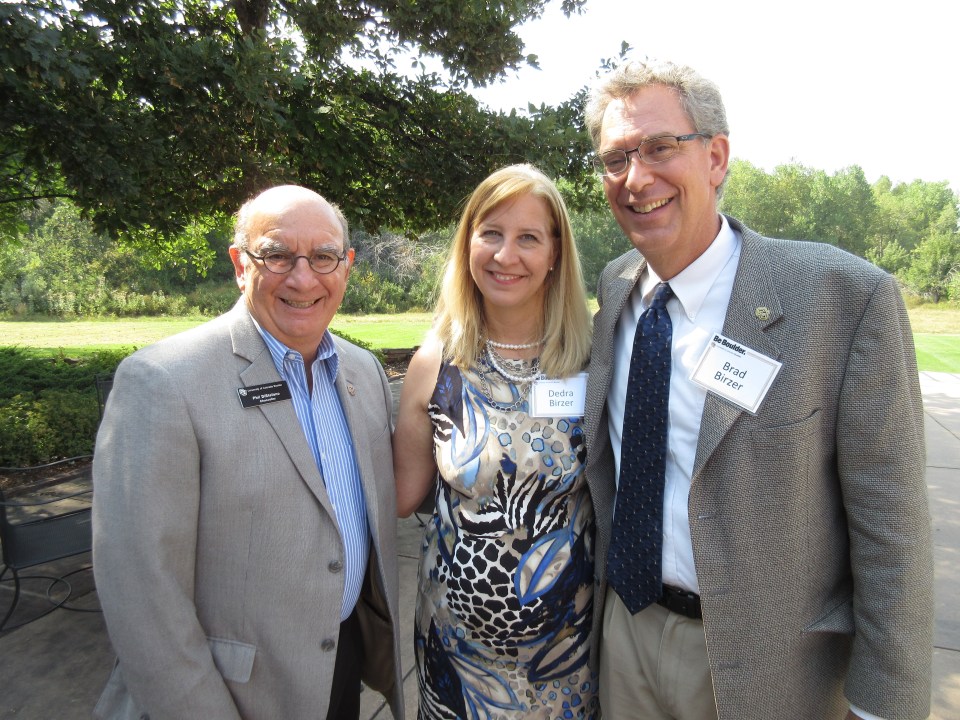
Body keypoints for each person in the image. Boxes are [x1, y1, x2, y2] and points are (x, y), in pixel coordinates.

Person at [582, 59, 934, 720]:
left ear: (715, 157)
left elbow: (893, 530)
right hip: (626, 634)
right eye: (615, 158)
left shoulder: (840, 298)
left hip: (774, 668)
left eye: (660, 148)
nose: (636, 178)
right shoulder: (616, 286)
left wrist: (886, 704)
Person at [92, 185, 403, 719]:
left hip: (338, 667)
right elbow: (142, 599)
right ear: (240, 263)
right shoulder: (162, 383)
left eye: (323, 257)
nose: (302, 278)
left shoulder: (363, 372)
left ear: (346, 267)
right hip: (227, 694)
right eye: (277, 254)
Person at [393, 164, 598, 719]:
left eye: (528, 237)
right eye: (491, 233)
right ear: (467, 245)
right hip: (456, 649)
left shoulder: (592, 360)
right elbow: (400, 493)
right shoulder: (436, 362)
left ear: (555, 252)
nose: (506, 255)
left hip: (564, 651)